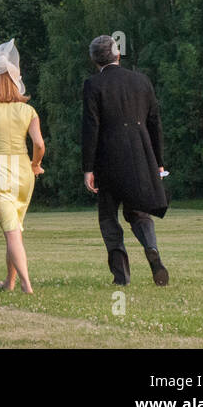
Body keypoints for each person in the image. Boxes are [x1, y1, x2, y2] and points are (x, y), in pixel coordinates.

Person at [81, 35, 170, 286]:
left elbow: (91, 127)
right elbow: (154, 122)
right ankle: (151, 247)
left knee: (108, 216)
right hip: (141, 155)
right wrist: (158, 160)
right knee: (139, 211)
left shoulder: (93, 85)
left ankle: (121, 275)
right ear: (117, 54)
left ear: (94, 60)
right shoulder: (141, 80)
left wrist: (88, 167)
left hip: (108, 158)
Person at [0, 39, 45, 294]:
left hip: (0, 174)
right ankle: (10, 281)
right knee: (13, 229)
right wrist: (36, 164)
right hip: (24, 174)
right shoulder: (28, 111)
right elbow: (39, 144)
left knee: (12, 233)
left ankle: (26, 284)